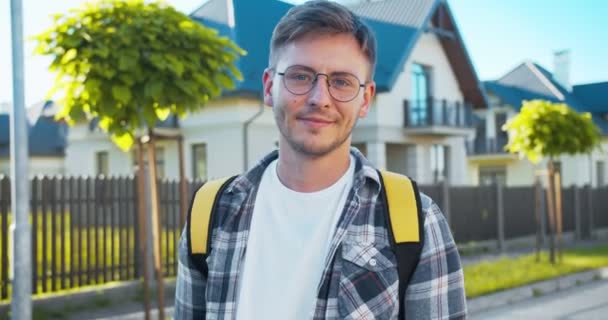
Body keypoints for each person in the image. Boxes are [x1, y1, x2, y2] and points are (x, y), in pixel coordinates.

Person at [174, 1, 466, 319]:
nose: (319, 99)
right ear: (270, 87)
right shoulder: (211, 213)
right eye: (300, 76)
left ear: (365, 99)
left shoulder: (416, 220)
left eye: (341, 81)